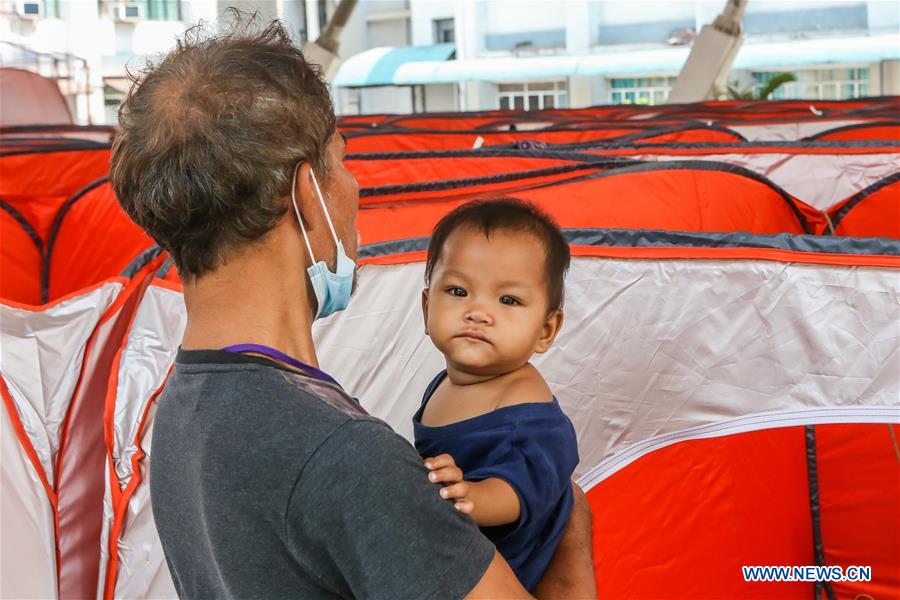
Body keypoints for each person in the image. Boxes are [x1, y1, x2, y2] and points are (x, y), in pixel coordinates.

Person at [110, 16, 596, 600]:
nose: (355, 186)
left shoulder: (182, 408)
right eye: (341, 160)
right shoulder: (344, 457)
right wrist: (571, 531)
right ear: (305, 193)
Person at [414, 199, 580, 591]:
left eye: (508, 300)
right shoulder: (443, 382)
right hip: (448, 553)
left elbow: (523, 489)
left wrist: (474, 495)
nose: (478, 312)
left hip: (507, 578)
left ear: (546, 330)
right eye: (457, 290)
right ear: (426, 307)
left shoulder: (529, 412)